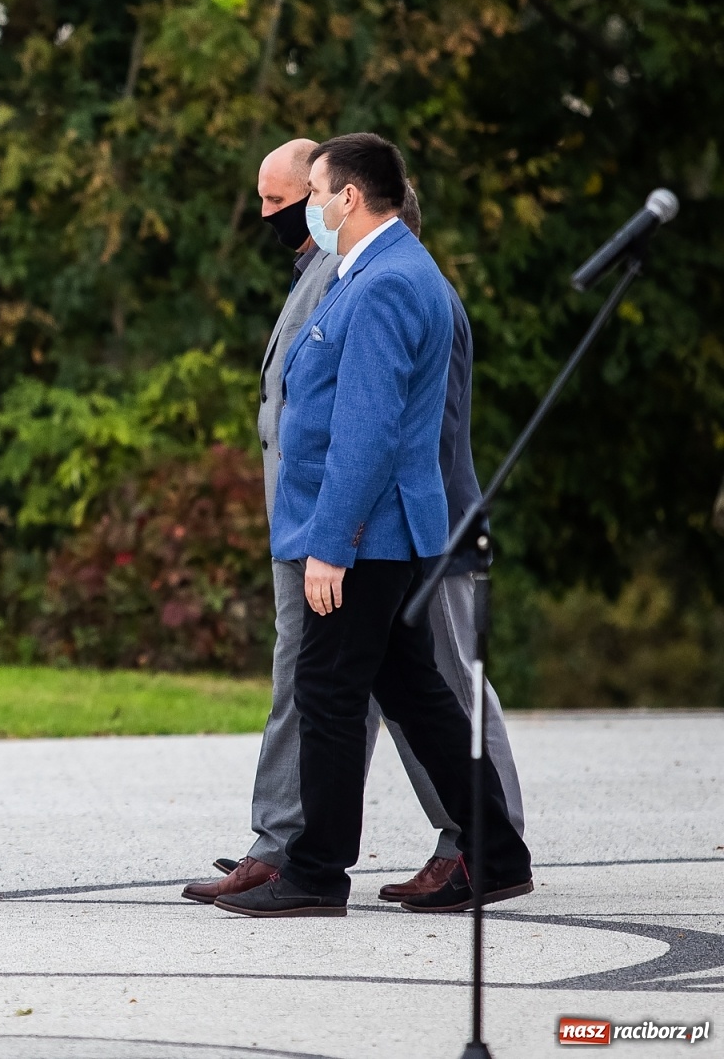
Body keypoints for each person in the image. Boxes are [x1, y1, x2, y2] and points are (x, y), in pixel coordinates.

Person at [182, 147, 526, 905]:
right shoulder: (374, 272)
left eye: (311, 193)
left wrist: (330, 547)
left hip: (369, 534)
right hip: (378, 530)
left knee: (330, 692)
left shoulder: (386, 285)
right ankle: (496, 852)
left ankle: (315, 872)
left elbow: (367, 433)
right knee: (413, 691)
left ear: (348, 196)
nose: (303, 209)